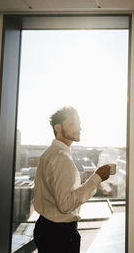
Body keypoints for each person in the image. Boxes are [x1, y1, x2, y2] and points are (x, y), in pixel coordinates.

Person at [33, 106, 111, 253]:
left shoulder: (48, 154)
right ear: (58, 127)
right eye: (72, 124)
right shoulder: (62, 158)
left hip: (45, 227)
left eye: (79, 124)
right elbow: (66, 205)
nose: (79, 128)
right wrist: (97, 178)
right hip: (59, 236)